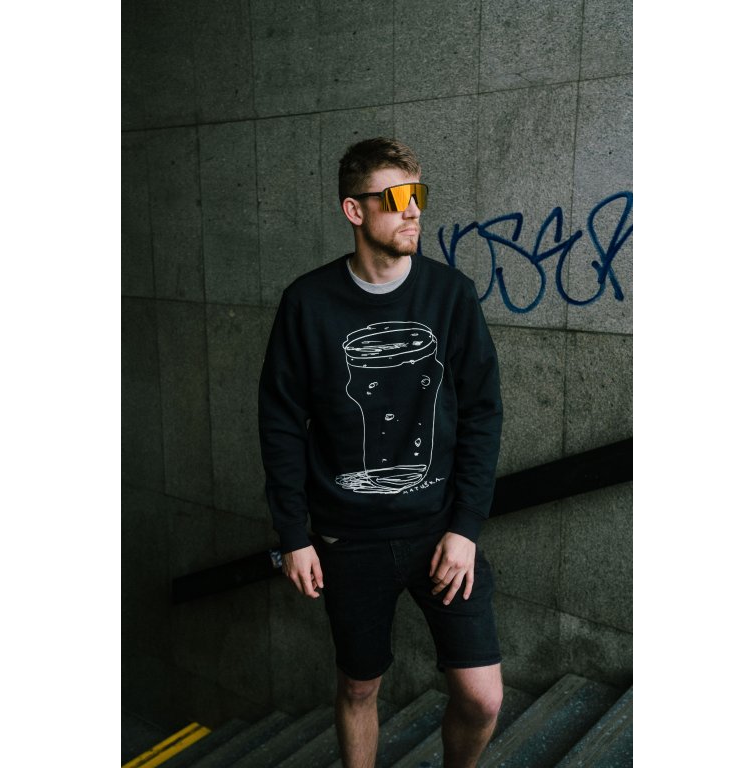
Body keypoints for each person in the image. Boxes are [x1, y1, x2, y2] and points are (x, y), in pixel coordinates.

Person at [258, 137, 504, 768]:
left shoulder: (450, 295)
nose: (413, 209)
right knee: (359, 687)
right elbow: (280, 422)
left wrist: (466, 527)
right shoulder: (308, 302)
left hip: (440, 533)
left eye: (417, 194)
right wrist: (293, 534)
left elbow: (482, 414)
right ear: (354, 210)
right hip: (348, 539)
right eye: (395, 198)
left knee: (482, 699)